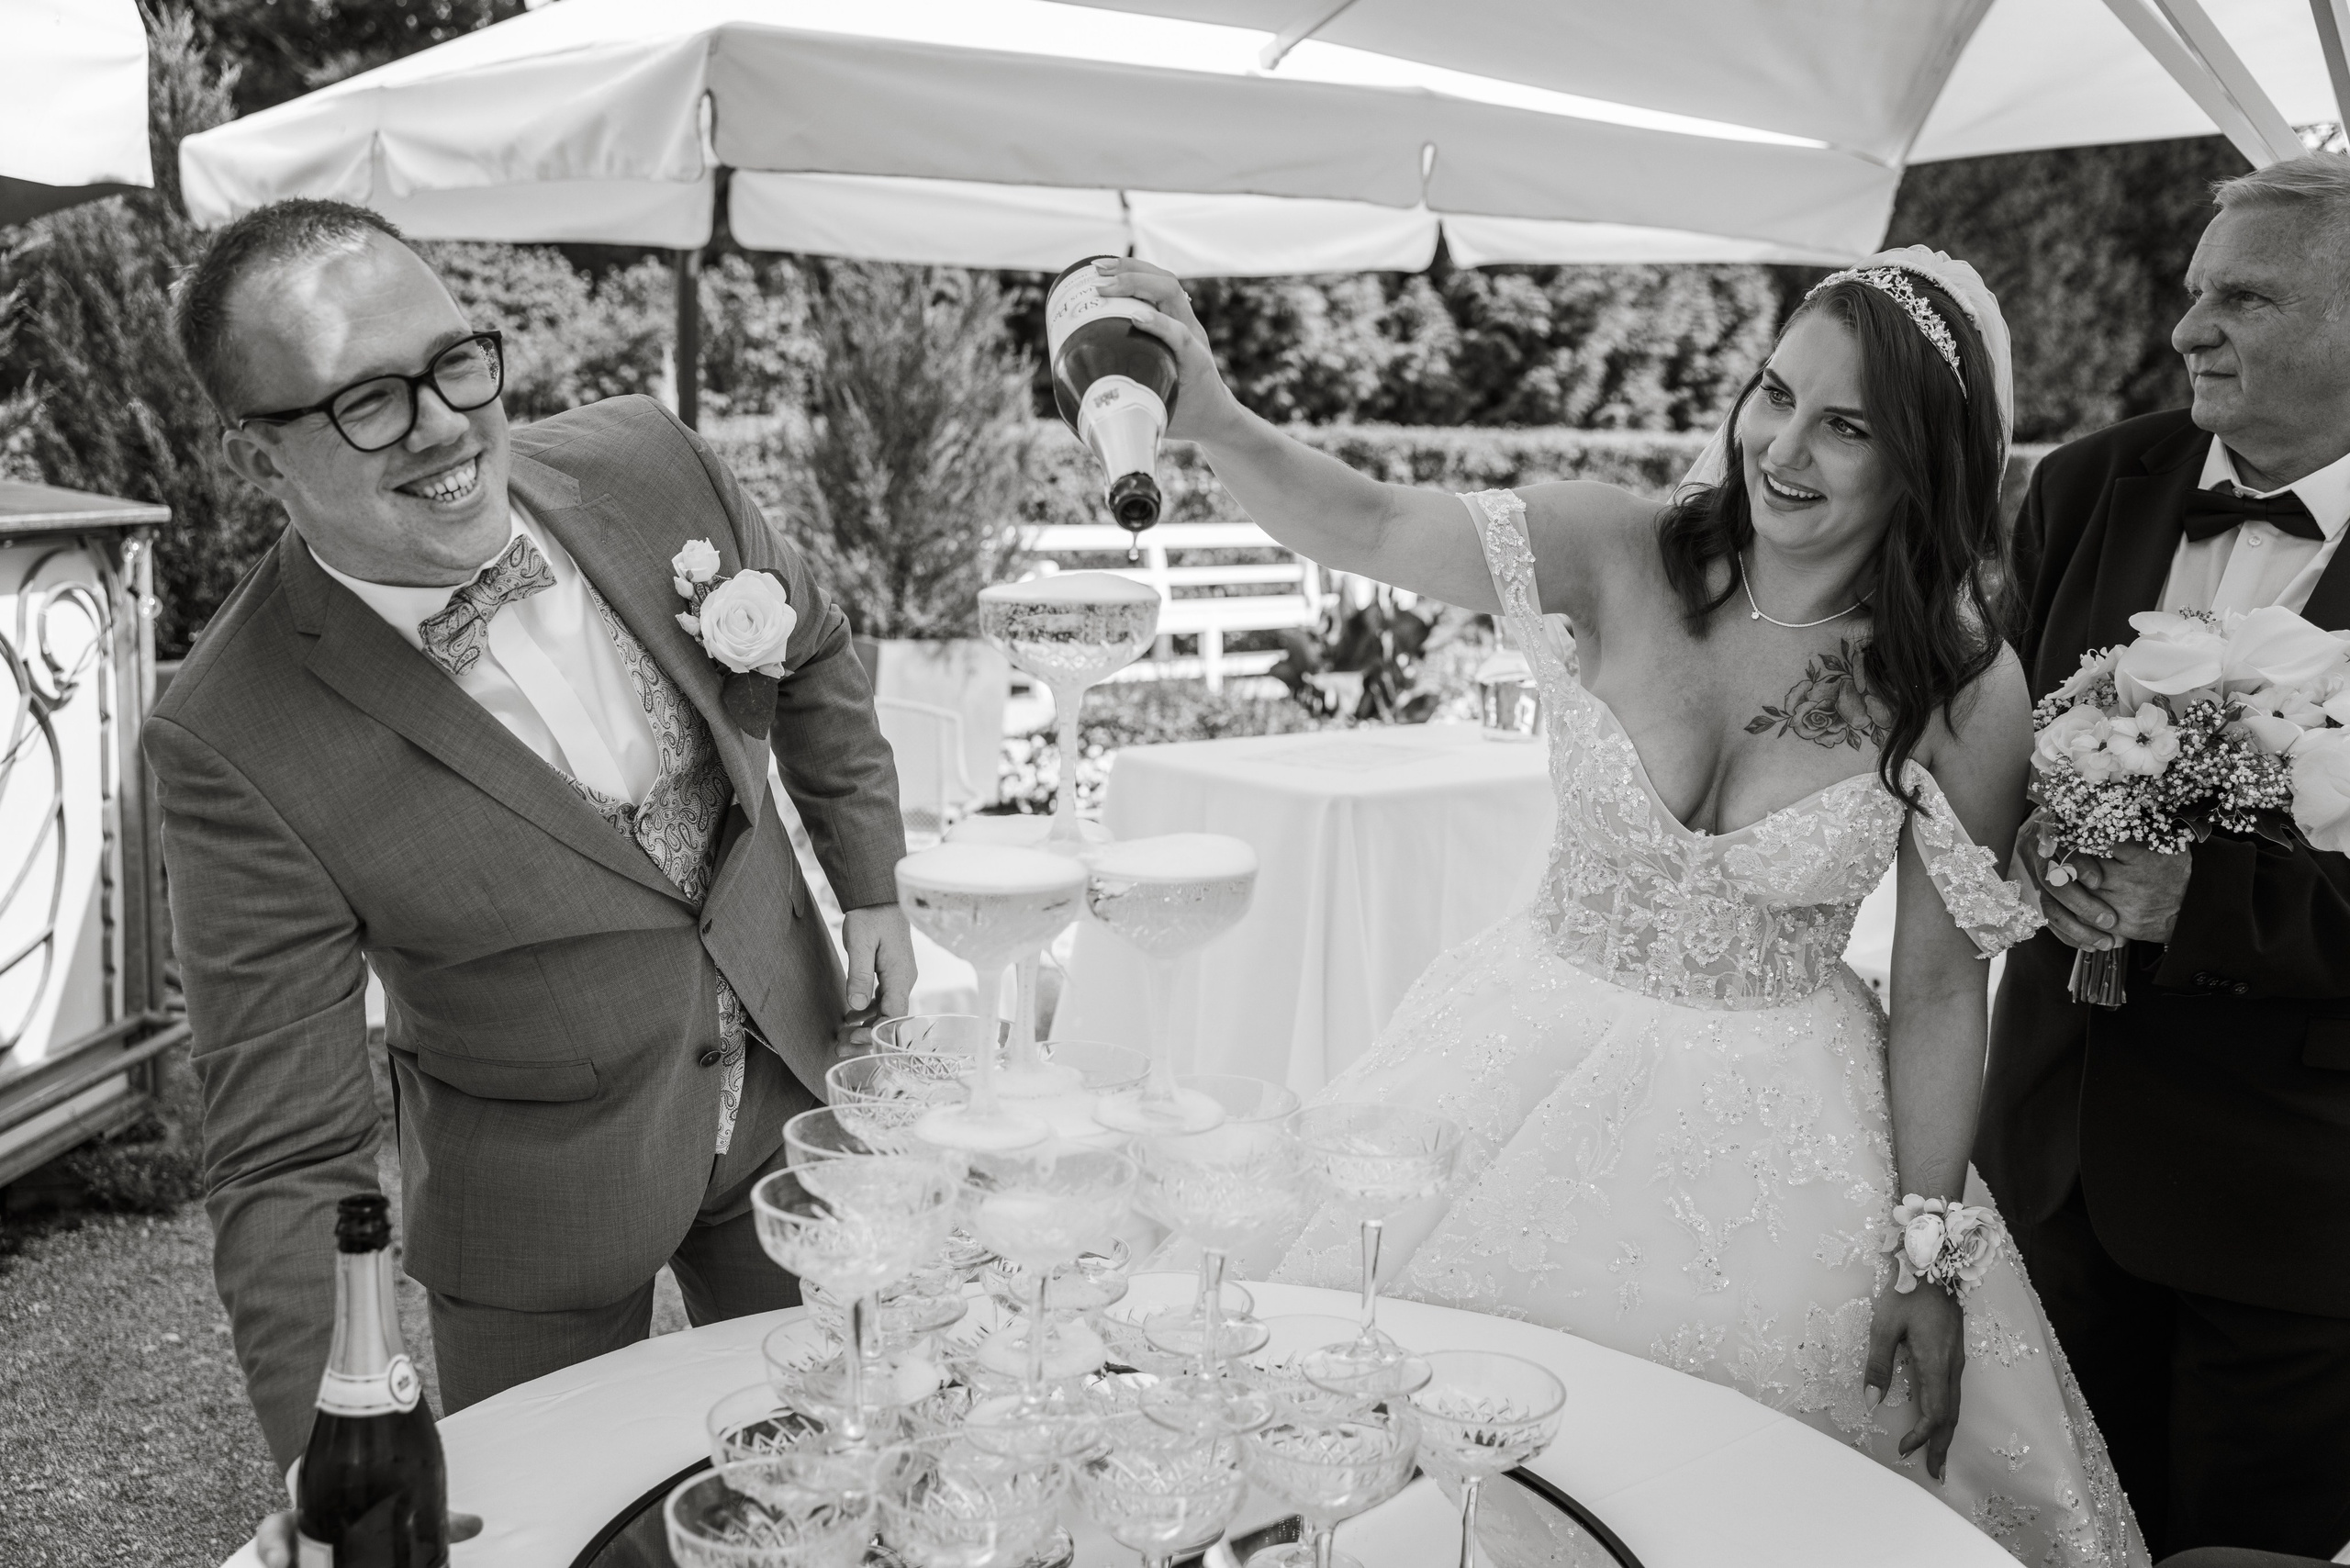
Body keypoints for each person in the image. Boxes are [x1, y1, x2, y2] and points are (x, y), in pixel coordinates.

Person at [1096, 249, 2144, 1562]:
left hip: (1782, 1148)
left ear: (1925, 460)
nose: (1783, 447)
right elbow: (1369, 523)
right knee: (1391, 1461)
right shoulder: (1618, 550)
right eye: (1775, 393)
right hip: (1505, 1071)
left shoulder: (1962, 691)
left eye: (1846, 426)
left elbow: (1938, 991)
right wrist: (1215, 421)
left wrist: (1927, 1256)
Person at [153, 200, 912, 1562]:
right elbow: (284, 1152)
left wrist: (871, 884)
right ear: (253, 451)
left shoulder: (647, 461)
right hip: (538, 1201)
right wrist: (333, 1461)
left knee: (842, 1487)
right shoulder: (231, 735)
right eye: (367, 405)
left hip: (795, 1106)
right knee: (555, 1540)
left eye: (456, 362)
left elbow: (811, 644)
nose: (445, 423)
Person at [1980, 153, 2350, 1562]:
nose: (2188, 329)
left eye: (2242, 299)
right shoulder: (2088, 483)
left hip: (2294, 1207)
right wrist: (2028, 838)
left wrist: (2202, 901)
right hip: (2056, 1160)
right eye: (2196, 294)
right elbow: (1995, 744)